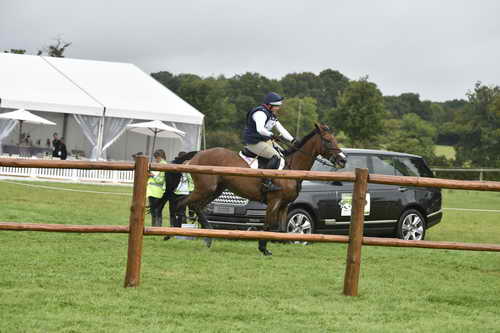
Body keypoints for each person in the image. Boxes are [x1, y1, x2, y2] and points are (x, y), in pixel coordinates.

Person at [243, 92, 295, 192]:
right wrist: (271, 134)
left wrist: (293, 140)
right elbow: (260, 129)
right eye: (277, 106)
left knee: (284, 153)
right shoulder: (260, 113)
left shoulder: (271, 115)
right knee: (276, 157)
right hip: (254, 142)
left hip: (264, 141)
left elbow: (281, 129)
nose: (278, 108)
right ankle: (266, 183)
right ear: (269, 105)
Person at [146, 149, 168, 227]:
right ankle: (155, 226)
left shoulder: (162, 165)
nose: (156, 159)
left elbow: (161, 180)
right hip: (153, 191)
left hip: (157, 192)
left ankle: (157, 227)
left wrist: (152, 175)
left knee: (156, 211)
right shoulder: (159, 164)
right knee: (154, 211)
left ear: (160, 156)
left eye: (156, 157)